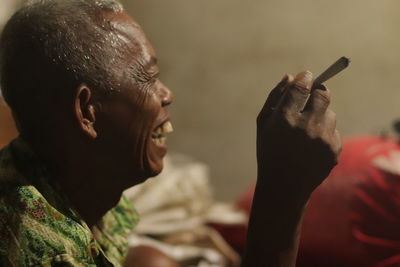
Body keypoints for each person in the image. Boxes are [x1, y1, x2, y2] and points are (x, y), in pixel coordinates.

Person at [0, 0, 341, 266]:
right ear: (87, 111)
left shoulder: (71, 180)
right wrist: (282, 194)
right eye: (149, 78)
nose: (167, 94)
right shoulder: (40, 251)